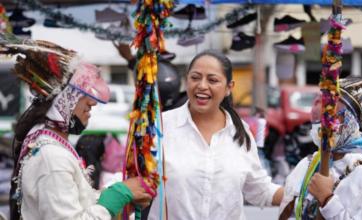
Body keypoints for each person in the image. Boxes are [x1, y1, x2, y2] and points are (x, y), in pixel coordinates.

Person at [4, 37, 152, 219]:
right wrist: (118, 195)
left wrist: (120, 194)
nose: (92, 103)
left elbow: (75, 204)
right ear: (63, 101)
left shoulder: (50, 145)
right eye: (82, 94)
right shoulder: (51, 157)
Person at [147, 50, 283, 220]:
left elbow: (260, 190)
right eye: (195, 77)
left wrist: (301, 194)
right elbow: (135, 182)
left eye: (212, 80)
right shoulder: (160, 127)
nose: (202, 85)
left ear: (229, 88)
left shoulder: (241, 133)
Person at [279, 77, 362, 219]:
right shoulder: (307, 164)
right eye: (317, 121)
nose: (318, 101)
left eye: (331, 117)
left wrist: (327, 199)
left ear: (348, 122)